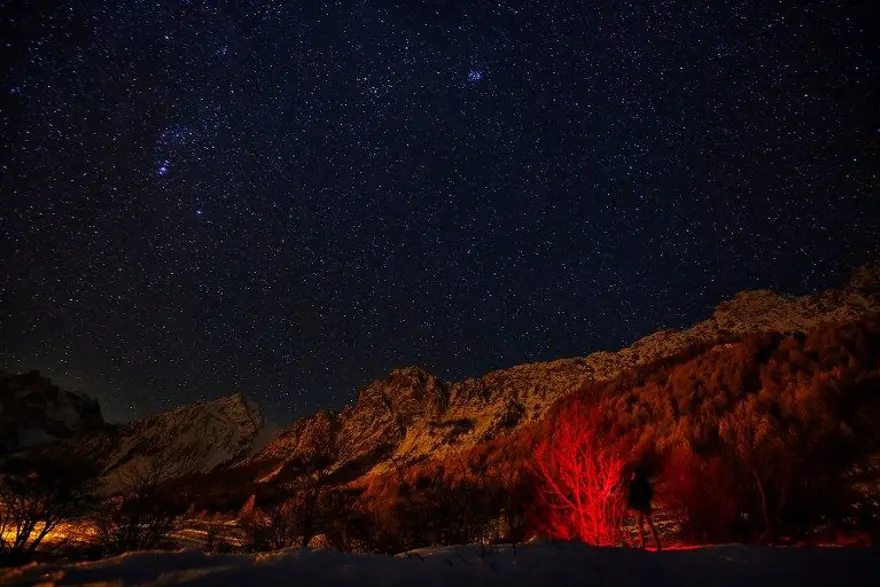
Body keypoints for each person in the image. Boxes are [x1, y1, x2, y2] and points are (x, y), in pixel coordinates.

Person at [625, 464, 662, 550]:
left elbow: (631, 496)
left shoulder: (633, 483)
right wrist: (647, 499)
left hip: (638, 506)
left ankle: (643, 545)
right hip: (644, 505)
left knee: (640, 526)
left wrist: (629, 505)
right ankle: (658, 544)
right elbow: (650, 493)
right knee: (650, 524)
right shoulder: (645, 482)